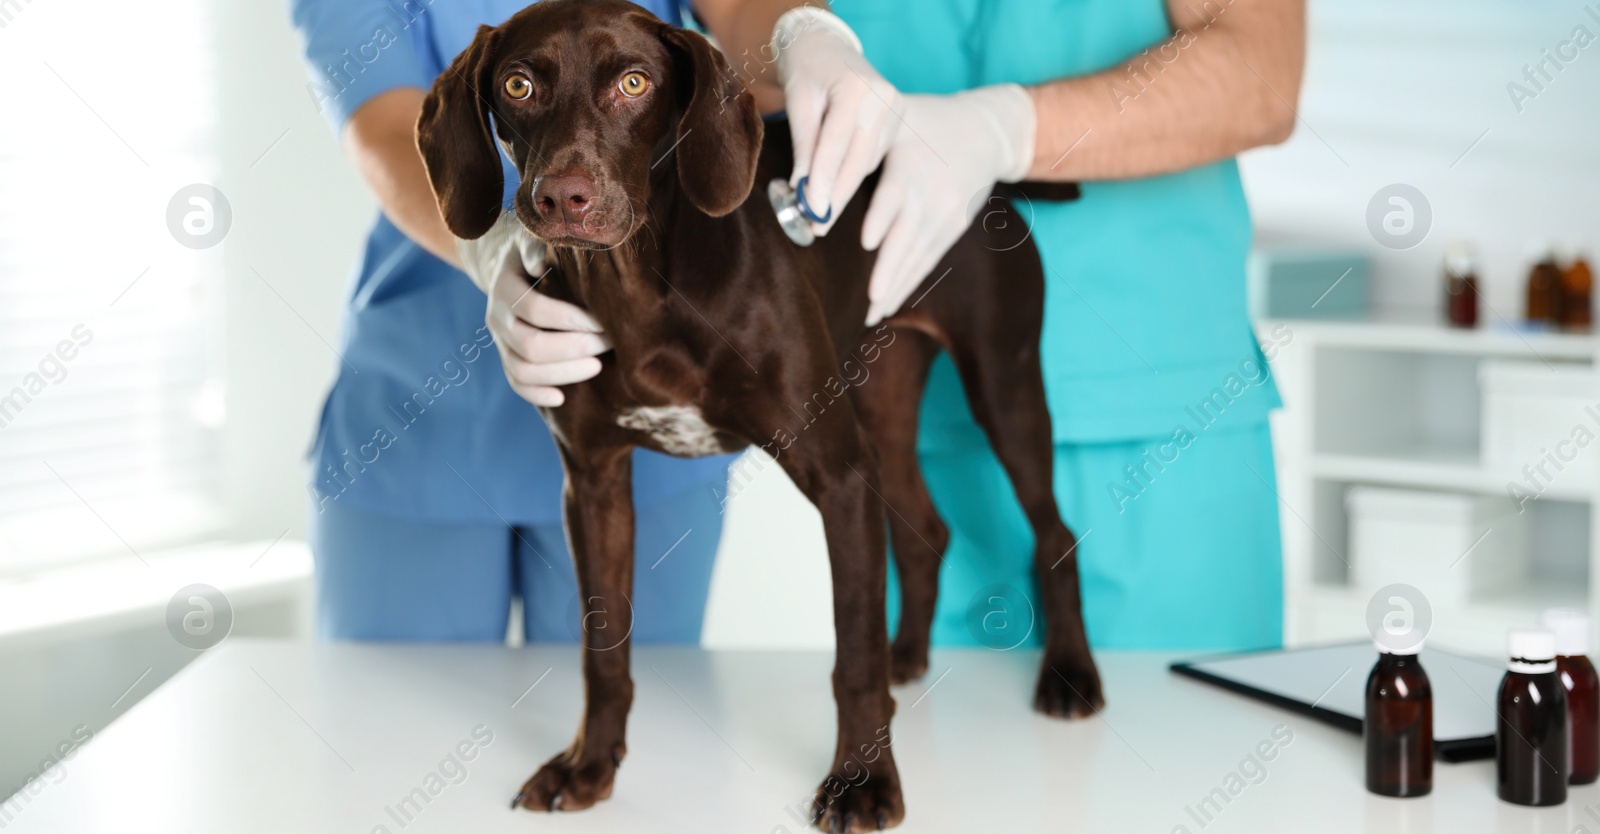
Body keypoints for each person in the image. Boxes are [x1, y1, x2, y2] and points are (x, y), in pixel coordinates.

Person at [510, 0, 1306, 652]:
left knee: (1165, 772)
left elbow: (1262, 72)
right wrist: (805, 35)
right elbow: (729, 24)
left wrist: (1004, 128)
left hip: (1156, 418)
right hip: (876, 406)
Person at [289, 0, 868, 642]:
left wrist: (804, 33)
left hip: (659, 403)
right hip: (419, 415)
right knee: (399, 716)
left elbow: (736, 15)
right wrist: (488, 247)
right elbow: (386, 126)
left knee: (642, 717)